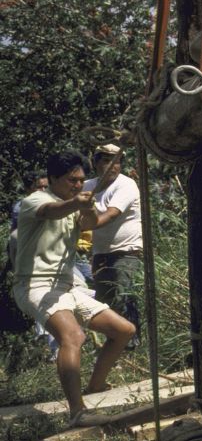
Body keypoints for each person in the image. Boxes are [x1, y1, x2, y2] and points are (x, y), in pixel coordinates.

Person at [10, 151, 135, 426]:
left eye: (80, 180)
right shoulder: (36, 200)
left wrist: (86, 207)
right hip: (35, 285)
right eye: (71, 180)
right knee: (74, 337)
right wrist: (77, 202)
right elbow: (50, 212)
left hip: (67, 285)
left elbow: (91, 224)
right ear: (54, 178)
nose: (78, 185)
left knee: (124, 330)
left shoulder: (76, 203)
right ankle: (77, 412)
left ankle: (96, 387)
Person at [83, 144, 143, 349]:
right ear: (96, 163)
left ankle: (132, 345)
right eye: (106, 161)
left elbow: (110, 215)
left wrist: (82, 225)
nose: (112, 166)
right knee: (105, 302)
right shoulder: (88, 186)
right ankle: (114, 347)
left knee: (123, 297)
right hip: (101, 252)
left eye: (117, 161)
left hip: (126, 251)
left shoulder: (126, 185)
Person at [7, 172, 55, 359]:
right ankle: (45, 340)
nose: (43, 190)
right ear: (29, 189)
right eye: (38, 187)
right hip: (32, 261)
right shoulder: (23, 206)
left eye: (45, 186)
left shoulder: (54, 201)